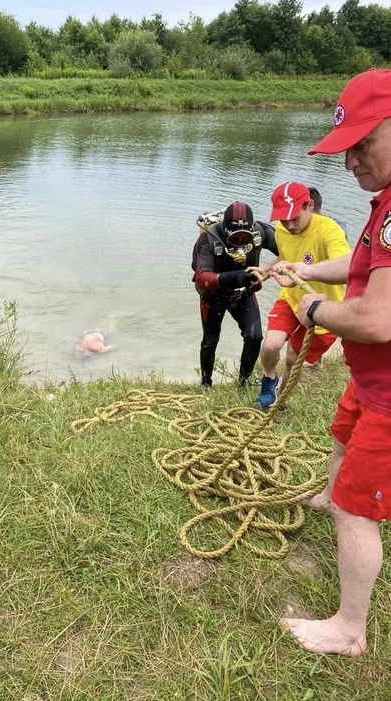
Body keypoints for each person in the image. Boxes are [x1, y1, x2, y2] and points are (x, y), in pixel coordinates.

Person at [272, 67, 391, 656]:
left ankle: (348, 629)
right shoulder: (385, 202)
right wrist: (308, 271)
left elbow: (376, 320)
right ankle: (329, 493)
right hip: (372, 382)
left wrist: (313, 308)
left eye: (362, 143)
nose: (350, 162)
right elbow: (363, 266)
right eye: (345, 148)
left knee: (356, 511)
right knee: (339, 435)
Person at [252, 181, 350, 408]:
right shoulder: (282, 230)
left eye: (294, 218)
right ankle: (269, 379)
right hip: (291, 297)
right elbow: (287, 256)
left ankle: (279, 401)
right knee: (270, 346)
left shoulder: (330, 230)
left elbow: (348, 267)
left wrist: (307, 272)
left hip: (323, 308)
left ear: (309, 205)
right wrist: (267, 269)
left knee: (292, 360)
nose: (289, 224)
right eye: (283, 219)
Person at [191, 200, 278, 387]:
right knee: (210, 340)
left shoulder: (260, 232)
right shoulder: (209, 239)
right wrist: (237, 277)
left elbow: (290, 248)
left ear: (252, 229)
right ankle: (206, 383)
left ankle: (243, 383)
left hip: (243, 293)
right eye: (235, 237)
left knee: (255, 337)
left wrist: (268, 270)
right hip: (213, 296)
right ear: (225, 229)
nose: (240, 241)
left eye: (244, 237)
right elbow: (201, 277)